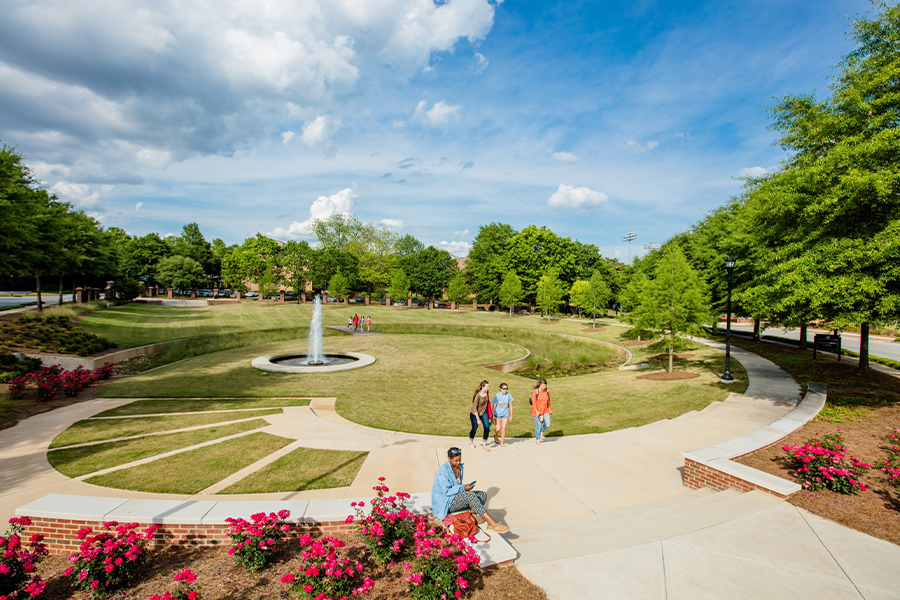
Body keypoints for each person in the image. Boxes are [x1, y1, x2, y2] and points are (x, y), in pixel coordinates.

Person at [431, 447, 509, 533]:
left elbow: (457, 487)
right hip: (445, 502)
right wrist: (463, 488)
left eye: (459, 460)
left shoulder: (460, 467)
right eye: (455, 461)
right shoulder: (443, 471)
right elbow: (447, 492)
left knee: (482, 495)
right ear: (449, 459)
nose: (458, 463)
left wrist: (464, 488)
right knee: (470, 496)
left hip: (454, 497)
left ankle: (471, 515)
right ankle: (492, 523)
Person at [469, 380, 491, 452]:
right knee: (474, 428)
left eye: (488, 387)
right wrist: (478, 419)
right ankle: (471, 441)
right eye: (487, 387)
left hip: (483, 413)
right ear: (482, 387)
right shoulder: (478, 395)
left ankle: (484, 444)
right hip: (475, 414)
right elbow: (474, 408)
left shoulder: (487, 393)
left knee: (487, 427)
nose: (488, 388)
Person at [530, 377, 552, 445]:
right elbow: (534, 403)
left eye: (545, 385)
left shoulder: (547, 391)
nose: (544, 387)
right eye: (542, 386)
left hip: (545, 410)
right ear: (539, 385)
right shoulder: (535, 392)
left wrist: (550, 409)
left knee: (548, 424)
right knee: (539, 425)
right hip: (536, 412)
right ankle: (537, 440)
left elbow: (548, 401)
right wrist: (537, 412)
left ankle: (542, 431)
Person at [491, 383, 514, 447]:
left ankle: (502, 443)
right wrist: (492, 416)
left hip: (505, 414)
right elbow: (494, 406)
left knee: (503, 428)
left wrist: (511, 415)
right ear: (500, 389)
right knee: (498, 428)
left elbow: (510, 406)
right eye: (504, 389)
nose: (505, 390)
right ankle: (496, 435)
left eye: (506, 389)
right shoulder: (497, 396)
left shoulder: (508, 395)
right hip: (498, 414)